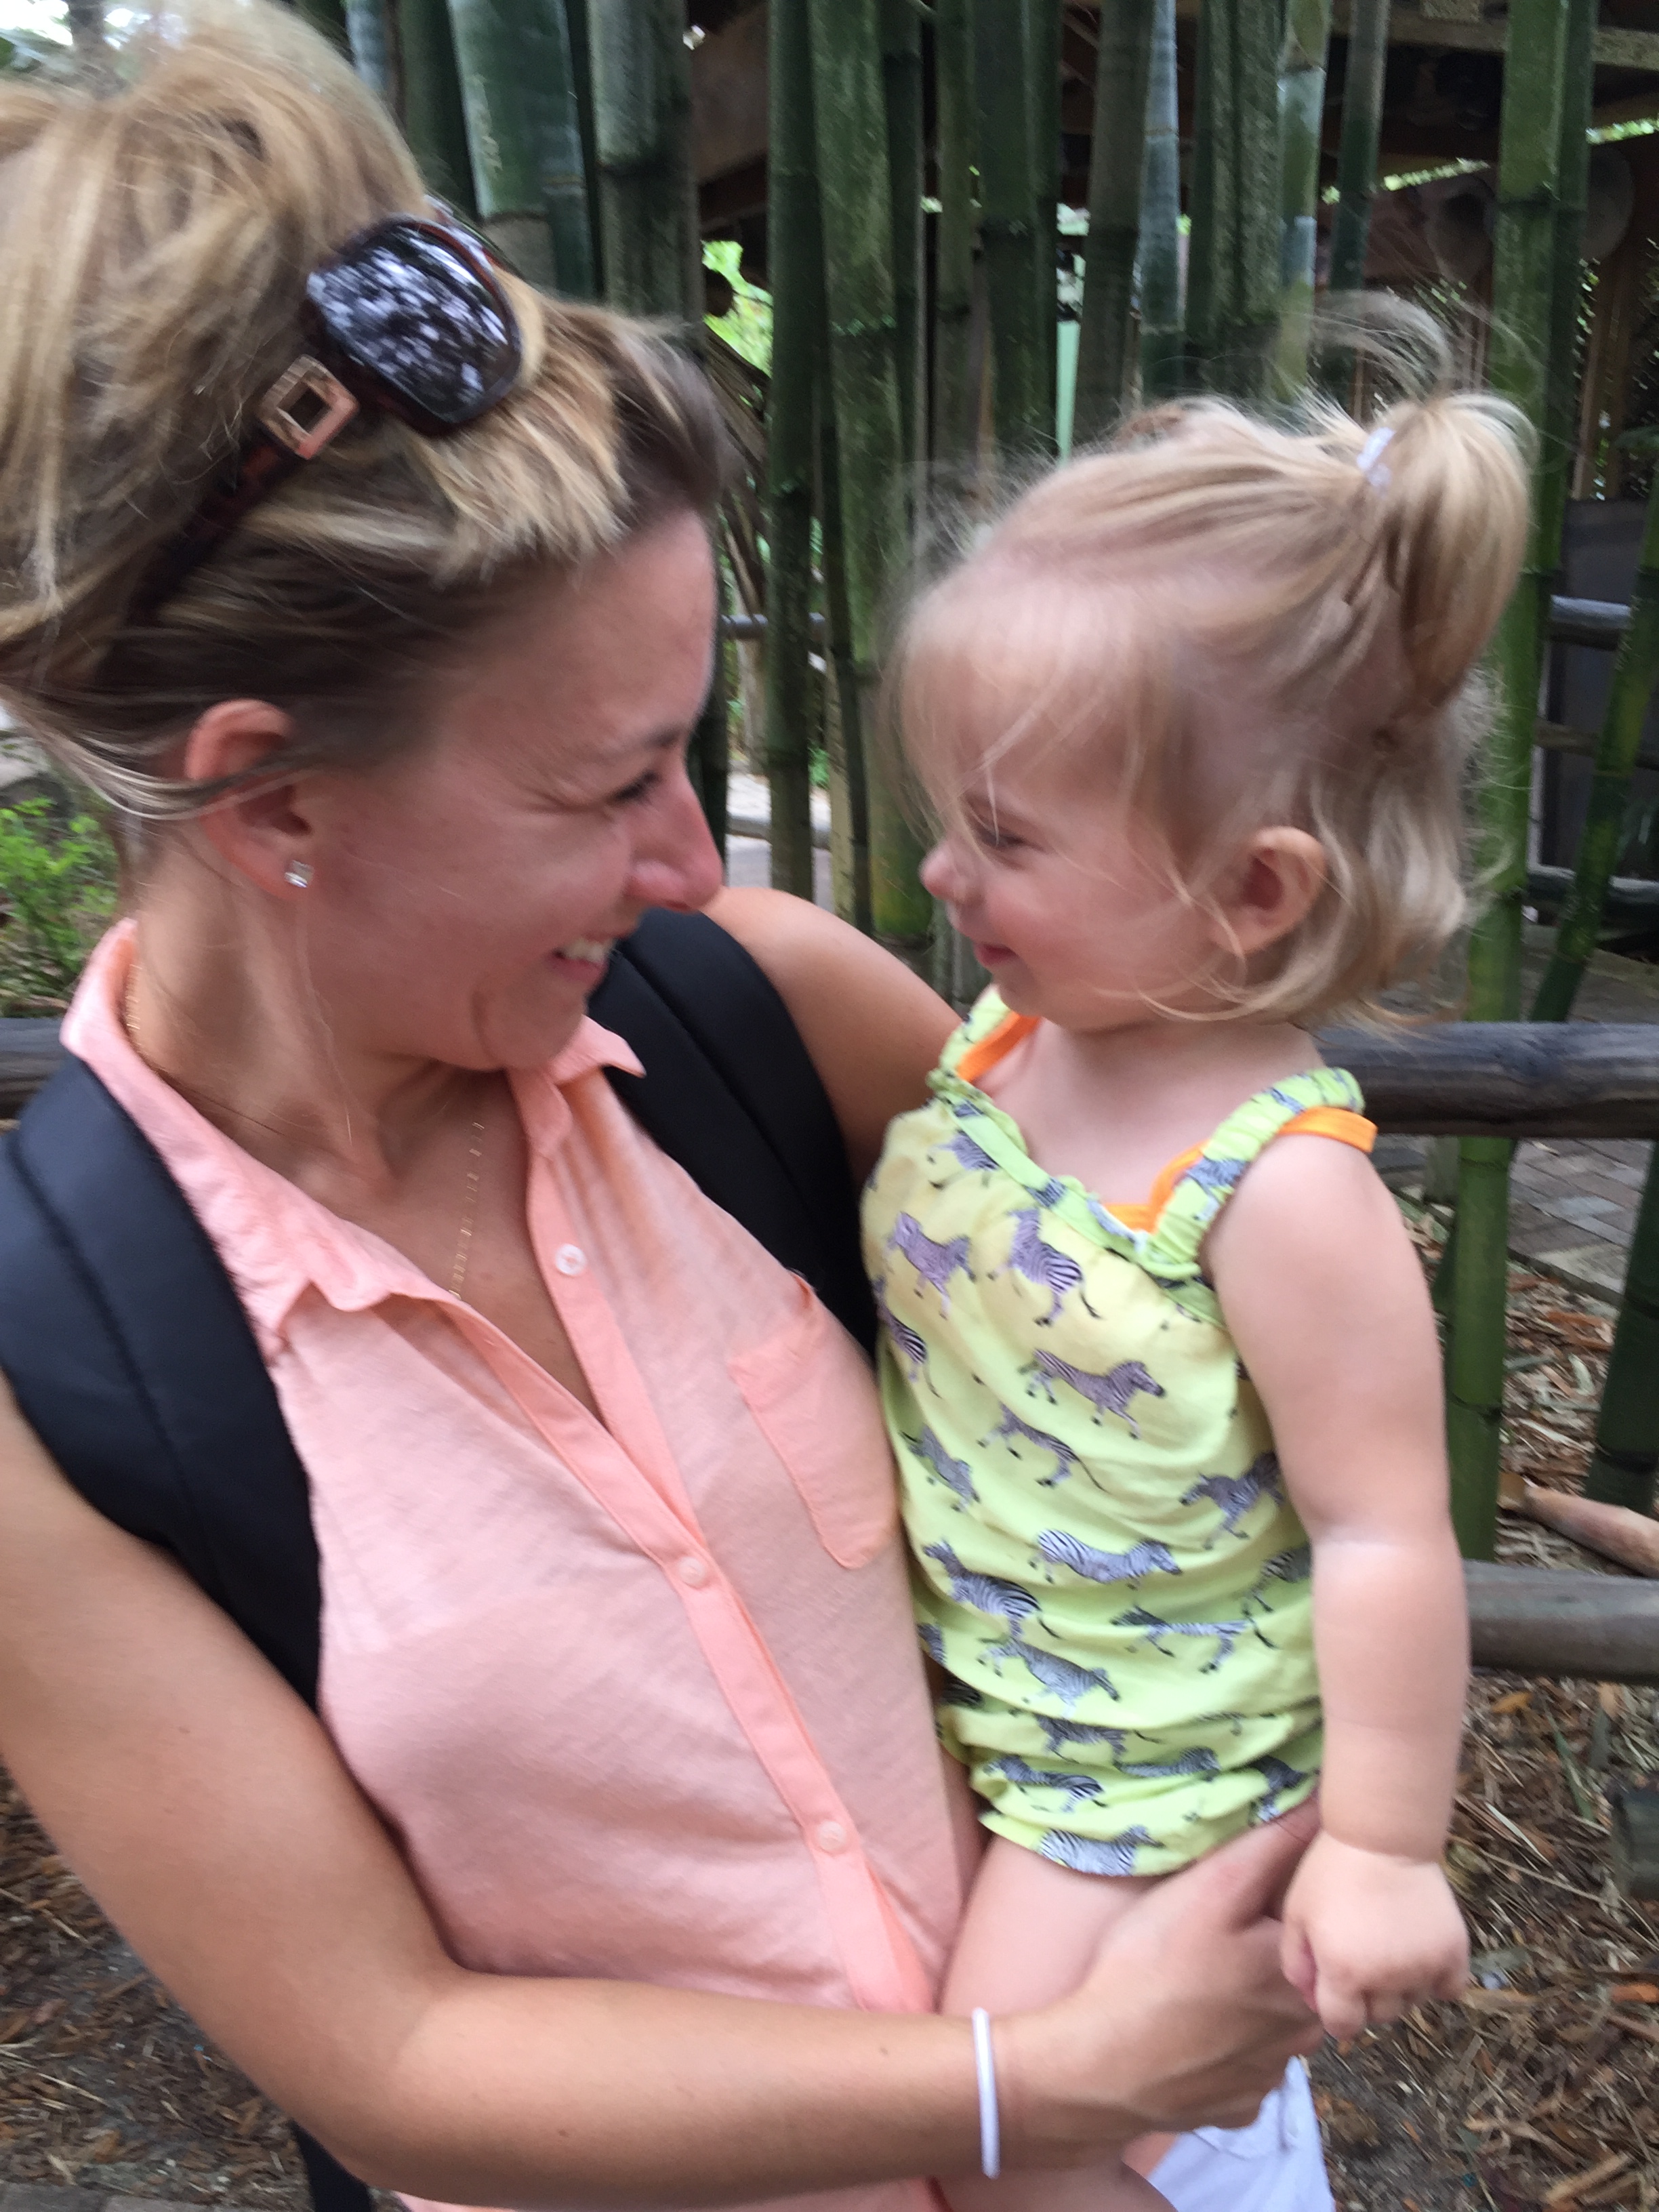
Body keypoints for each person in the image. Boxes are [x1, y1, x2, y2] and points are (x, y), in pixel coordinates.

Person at [0, 12, 1326, 2210]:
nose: (697, 866)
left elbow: (1200, 1383)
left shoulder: (773, 1025)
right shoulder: (64, 1391)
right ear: (272, 799)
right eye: (612, 783)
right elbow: (392, 2056)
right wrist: (1036, 2087)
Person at [863, 394, 1528, 2210]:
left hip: (1139, 1777)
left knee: (991, 2150)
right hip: (994, 1698)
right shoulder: (1011, 1043)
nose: (942, 875)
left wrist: (1383, 1847)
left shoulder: (1278, 1191)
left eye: (1004, 837)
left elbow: (1385, 1530)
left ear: (1249, 891)